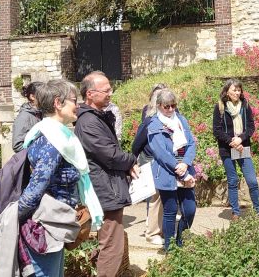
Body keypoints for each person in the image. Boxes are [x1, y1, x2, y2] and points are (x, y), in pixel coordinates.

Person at [17, 79, 103, 277]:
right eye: (74, 100)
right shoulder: (51, 141)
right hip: (45, 229)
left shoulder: (59, 136)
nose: (78, 105)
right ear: (58, 103)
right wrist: (14, 220)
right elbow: (34, 190)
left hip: (55, 225)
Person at [75, 72, 139, 277]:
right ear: (90, 94)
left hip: (108, 184)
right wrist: (131, 161)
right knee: (111, 245)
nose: (111, 93)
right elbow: (109, 154)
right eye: (106, 90)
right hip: (105, 187)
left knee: (111, 243)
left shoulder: (96, 118)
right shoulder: (88, 122)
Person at [147, 89, 197, 250]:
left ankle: (181, 239)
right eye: (166, 106)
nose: (170, 109)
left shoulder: (181, 120)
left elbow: (191, 143)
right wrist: (180, 170)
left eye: (173, 105)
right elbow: (161, 153)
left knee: (189, 209)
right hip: (167, 171)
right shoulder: (154, 124)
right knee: (170, 210)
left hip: (185, 167)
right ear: (159, 106)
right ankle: (170, 248)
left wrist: (186, 163)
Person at [212, 79, 259, 219]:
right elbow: (217, 130)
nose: (237, 92)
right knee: (233, 180)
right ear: (227, 91)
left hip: (243, 147)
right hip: (227, 149)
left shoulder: (245, 105)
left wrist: (241, 139)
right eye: (234, 90)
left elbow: (251, 127)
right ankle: (235, 212)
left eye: (239, 90)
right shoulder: (220, 107)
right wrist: (232, 142)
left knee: (251, 180)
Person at [131, 83, 168, 245]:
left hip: (168, 160)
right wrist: (133, 162)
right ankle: (152, 231)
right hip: (150, 159)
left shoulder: (174, 118)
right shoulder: (149, 120)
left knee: (166, 196)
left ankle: (162, 228)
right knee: (155, 195)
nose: (170, 108)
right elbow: (136, 144)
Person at [12, 81, 44, 152]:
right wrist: (40, 153)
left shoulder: (42, 113)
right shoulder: (23, 117)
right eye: (43, 95)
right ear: (32, 96)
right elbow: (17, 146)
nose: (47, 97)